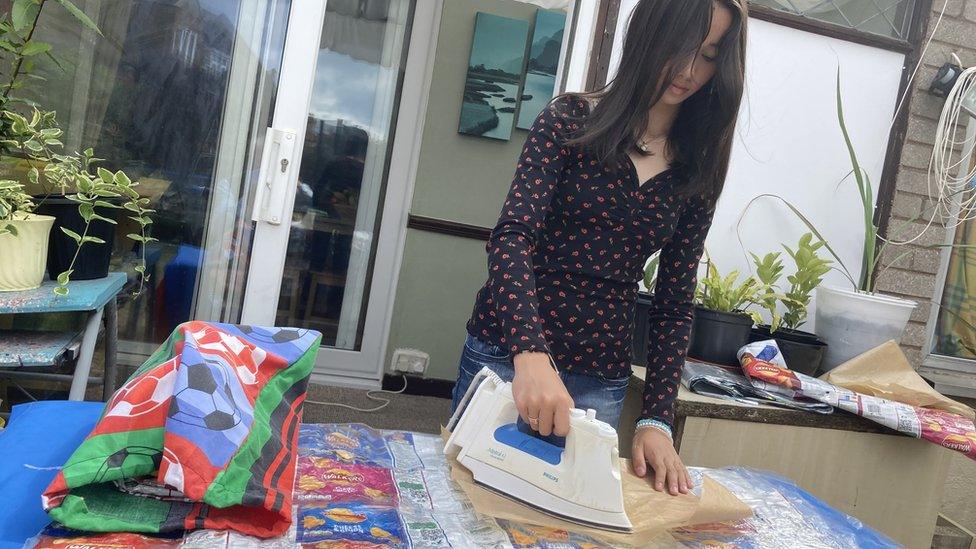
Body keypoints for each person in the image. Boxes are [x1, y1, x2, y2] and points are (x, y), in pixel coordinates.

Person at [450, 0, 747, 496]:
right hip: (508, 356)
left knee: (566, 519)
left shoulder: (699, 167)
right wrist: (529, 353)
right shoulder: (570, 121)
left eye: (711, 55)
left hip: (598, 377)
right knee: (466, 500)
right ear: (651, 34)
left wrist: (656, 419)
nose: (691, 71)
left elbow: (674, 303)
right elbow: (512, 237)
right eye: (682, 47)